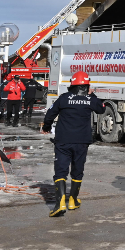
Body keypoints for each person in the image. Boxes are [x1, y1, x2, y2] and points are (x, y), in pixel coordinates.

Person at [41, 70, 104, 217]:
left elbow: (50, 114)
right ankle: (73, 200)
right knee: (77, 170)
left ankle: (60, 203)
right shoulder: (90, 99)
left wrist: (46, 127)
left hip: (63, 140)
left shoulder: (64, 98)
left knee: (60, 170)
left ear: (72, 84)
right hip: (82, 141)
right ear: (87, 85)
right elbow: (102, 109)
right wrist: (92, 94)